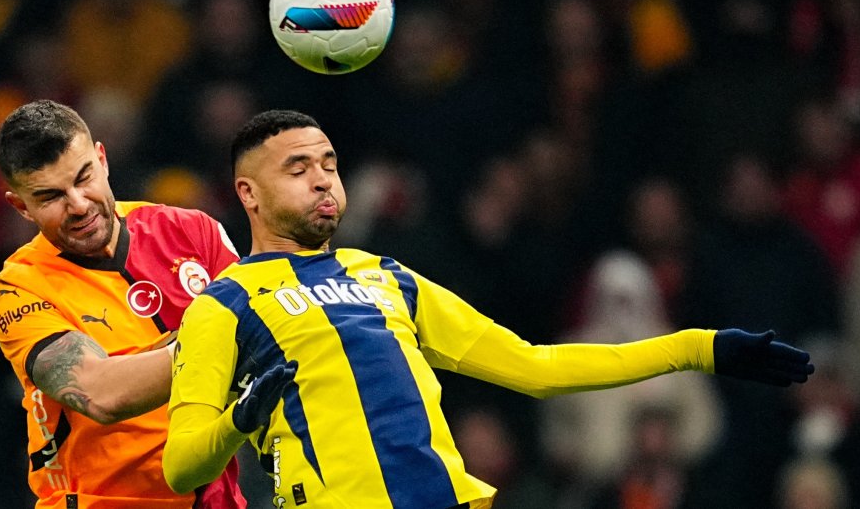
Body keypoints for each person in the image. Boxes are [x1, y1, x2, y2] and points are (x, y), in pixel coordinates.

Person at [163, 110, 814, 509]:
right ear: (248, 193)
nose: (322, 180)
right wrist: (238, 421)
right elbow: (181, 464)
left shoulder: (386, 276)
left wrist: (699, 347)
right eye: (298, 167)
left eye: (329, 165)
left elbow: (537, 367)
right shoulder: (223, 306)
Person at [0, 100, 245, 509]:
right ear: (21, 207)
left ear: (102, 160)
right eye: (51, 196)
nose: (79, 205)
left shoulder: (193, 231)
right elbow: (100, 393)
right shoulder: (19, 289)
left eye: (84, 177)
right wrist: (225, 344)